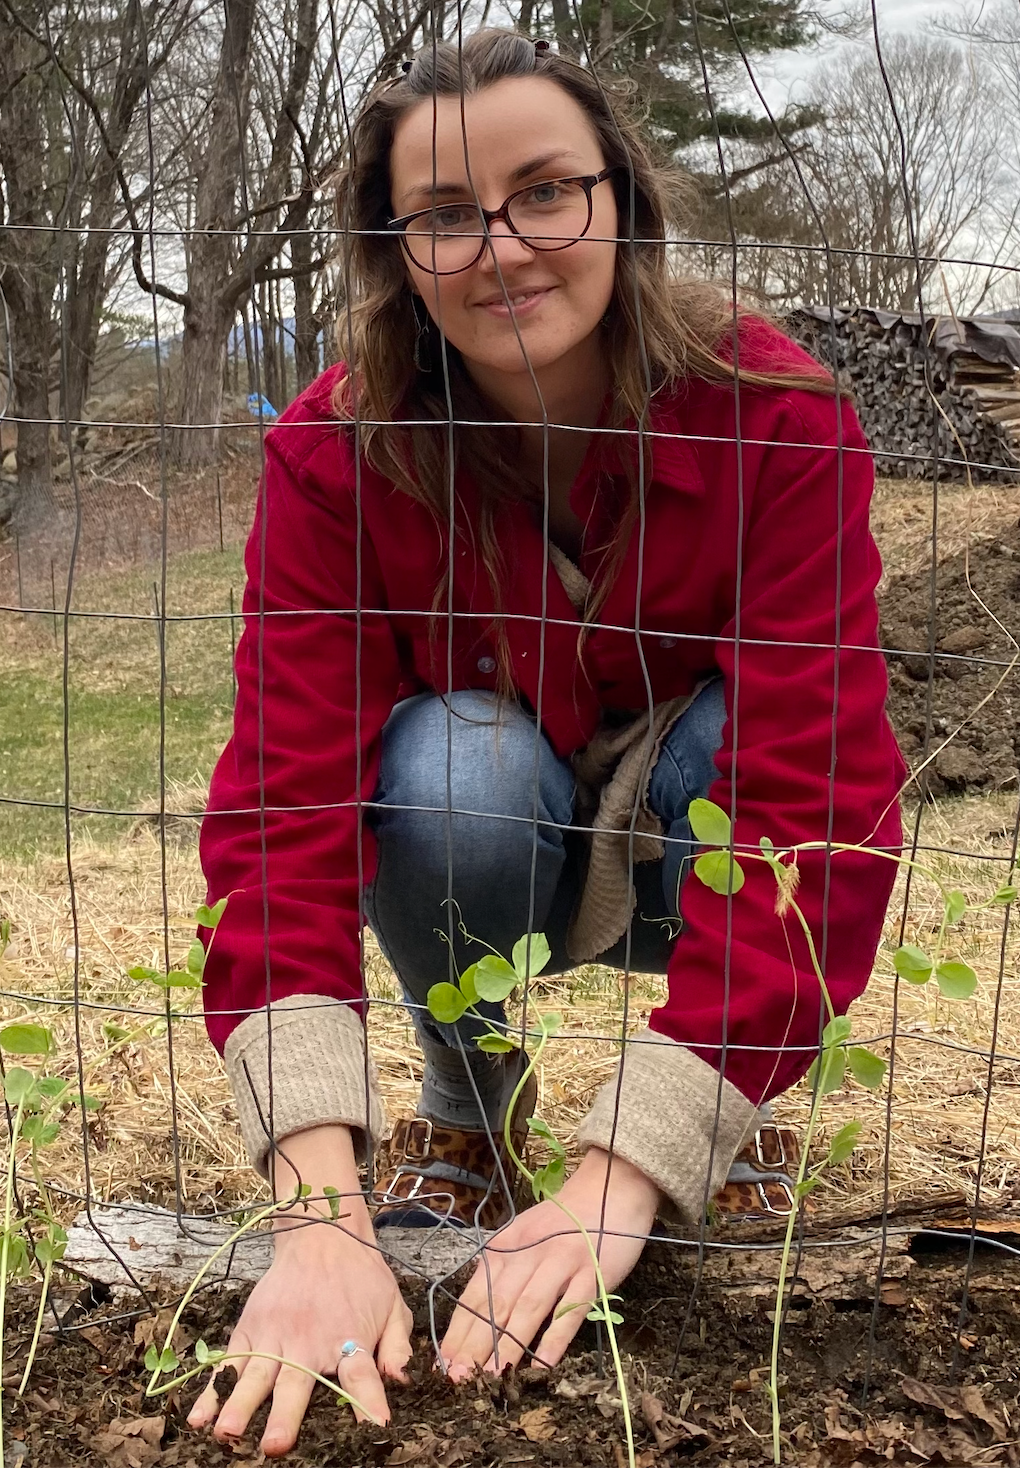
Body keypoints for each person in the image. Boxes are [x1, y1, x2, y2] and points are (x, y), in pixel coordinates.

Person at [190, 28, 904, 1458]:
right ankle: (465, 1114)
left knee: (729, 749)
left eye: (544, 191)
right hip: (488, 828)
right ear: (396, 251)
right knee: (447, 761)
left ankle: (723, 1108)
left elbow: (820, 792)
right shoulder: (339, 452)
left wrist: (619, 1178)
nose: (502, 245)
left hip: (678, 826)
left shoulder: (780, 416)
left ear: (621, 203)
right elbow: (283, 804)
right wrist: (320, 1219)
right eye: (445, 213)